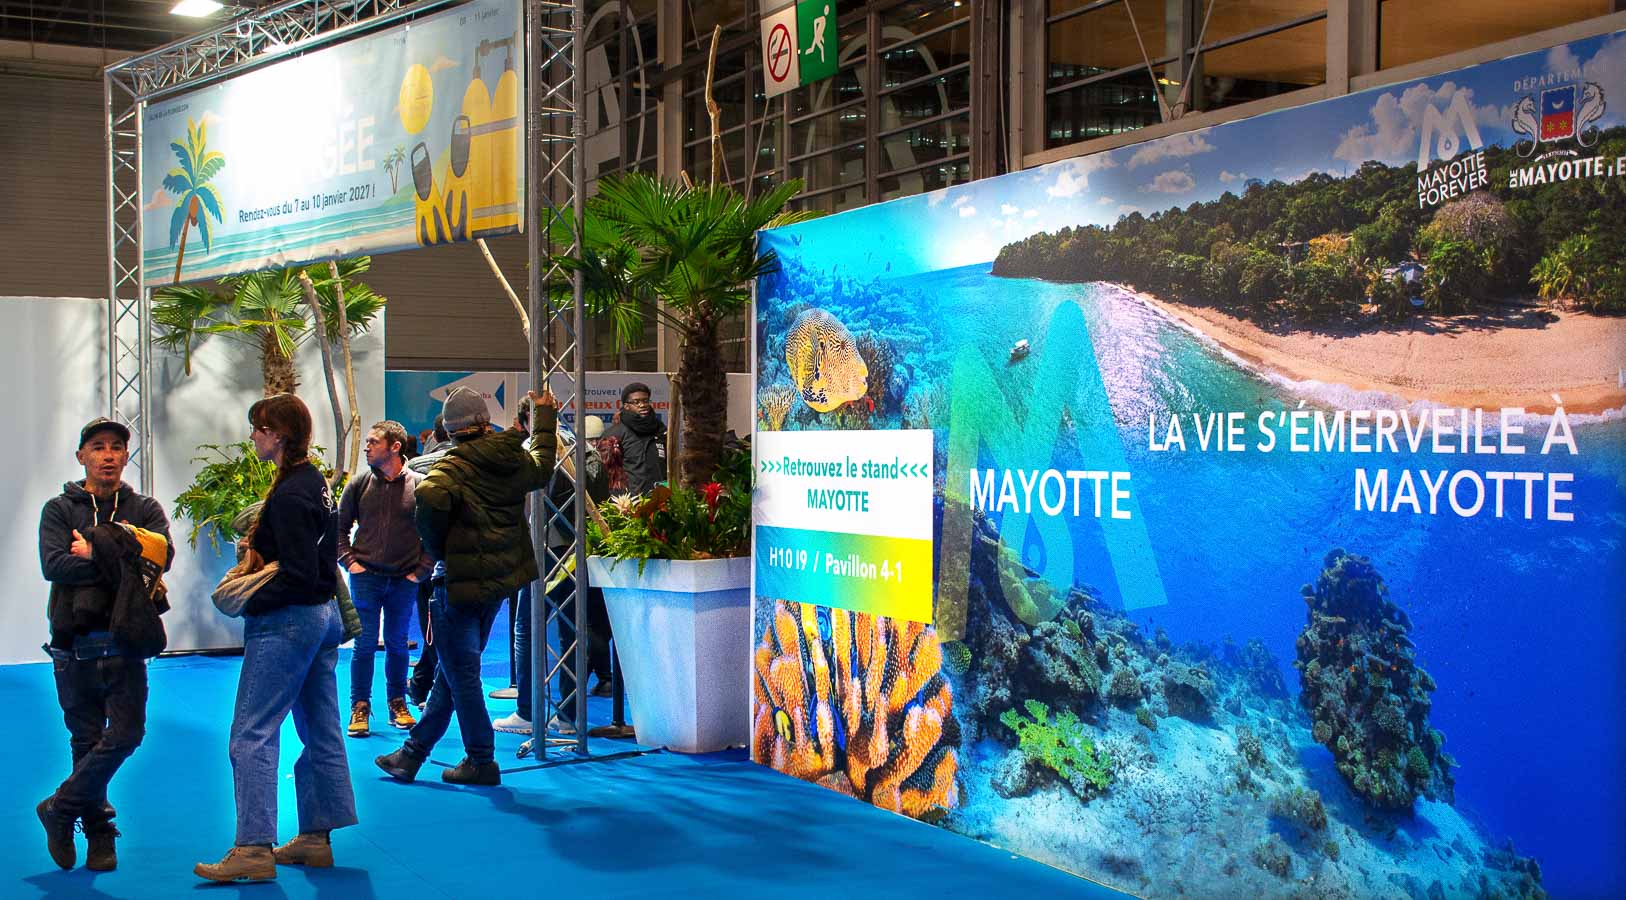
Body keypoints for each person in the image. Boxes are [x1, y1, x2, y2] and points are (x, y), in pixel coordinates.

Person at [195, 394, 356, 883]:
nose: (253, 436)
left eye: (258, 428)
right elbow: (316, 566)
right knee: (321, 729)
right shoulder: (314, 483)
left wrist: (252, 598)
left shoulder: (288, 495)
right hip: (323, 617)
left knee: (252, 732)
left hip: (289, 622)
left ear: (279, 435)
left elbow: (299, 574)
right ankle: (315, 839)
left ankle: (252, 846)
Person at [375, 386, 557, 787]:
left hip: (457, 582)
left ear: (450, 430)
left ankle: (481, 759)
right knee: (454, 671)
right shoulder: (511, 458)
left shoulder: (448, 473)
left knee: (462, 674)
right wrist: (545, 420)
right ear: (484, 422)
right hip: (499, 581)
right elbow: (543, 466)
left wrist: (436, 549)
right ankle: (411, 755)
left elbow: (429, 501)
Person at [36, 417, 173, 872]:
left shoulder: (145, 508)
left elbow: (161, 559)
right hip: (72, 644)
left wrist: (95, 549)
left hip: (126, 642)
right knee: (86, 740)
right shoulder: (59, 510)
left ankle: (60, 807)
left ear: (126, 456)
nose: (108, 455)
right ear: (81, 456)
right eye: (98, 446)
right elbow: (55, 566)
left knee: (127, 734)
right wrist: (121, 556)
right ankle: (98, 834)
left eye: (116, 446)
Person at [494, 415, 608, 737]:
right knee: (571, 631)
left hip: (543, 549)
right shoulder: (580, 447)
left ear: (524, 421)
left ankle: (528, 712)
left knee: (527, 628)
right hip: (577, 548)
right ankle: (568, 716)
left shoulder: (531, 448)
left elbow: (523, 507)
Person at [338, 421, 432, 737]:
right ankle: (359, 706)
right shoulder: (359, 484)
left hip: (403, 580)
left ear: (395, 447)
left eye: (373, 442)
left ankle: (397, 703)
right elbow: (338, 528)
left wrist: (421, 570)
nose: (367, 447)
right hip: (366, 577)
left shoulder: (420, 486)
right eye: (366, 441)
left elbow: (434, 533)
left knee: (397, 644)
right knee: (363, 645)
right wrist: (350, 562)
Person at [404, 426, 455, 707]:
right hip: (463, 559)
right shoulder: (474, 466)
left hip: (428, 557)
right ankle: (425, 685)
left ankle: (424, 686)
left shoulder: (416, 466)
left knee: (432, 629)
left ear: (434, 436)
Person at [599, 382, 666, 497]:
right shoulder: (615, 434)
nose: (642, 405)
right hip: (630, 502)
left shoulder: (660, 430)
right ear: (626, 406)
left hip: (660, 499)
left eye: (645, 401)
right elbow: (607, 474)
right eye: (636, 402)